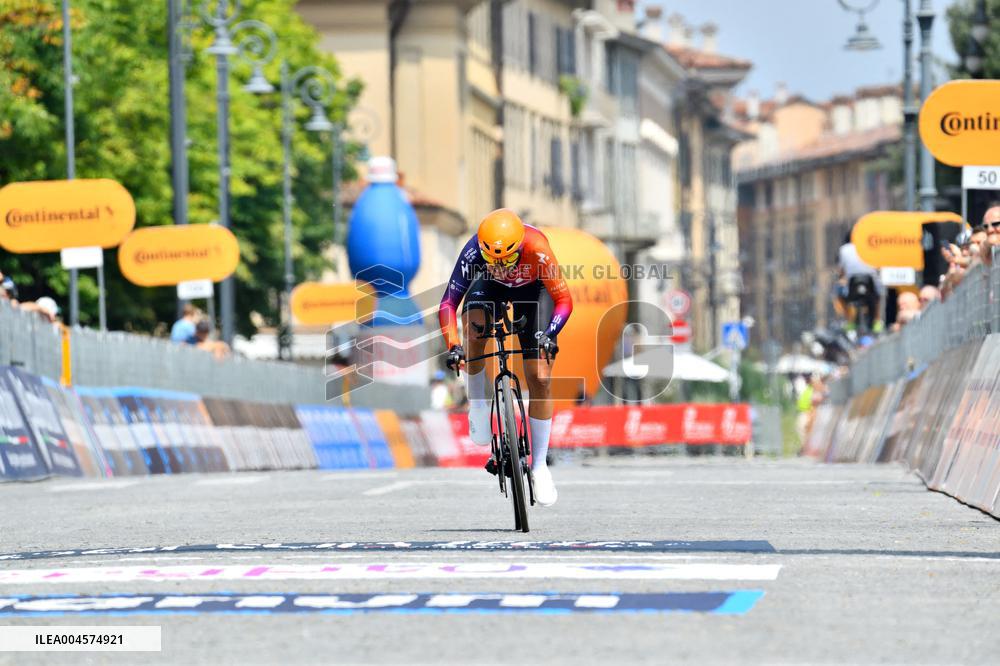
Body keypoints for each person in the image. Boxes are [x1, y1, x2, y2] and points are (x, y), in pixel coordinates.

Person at [438, 208, 573, 507]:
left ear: (519, 249)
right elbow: (448, 302)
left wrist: (550, 334)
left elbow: (564, 300)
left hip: (533, 293)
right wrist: (454, 346)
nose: (500, 266)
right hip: (490, 290)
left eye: (508, 260)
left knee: (539, 374)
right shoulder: (474, 251)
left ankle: (539, 465)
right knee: (473, 325)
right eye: (493, 261)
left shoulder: (537, 249)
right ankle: (477, 402)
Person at [836, 232, 883, 333]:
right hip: (871, 285)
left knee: (838, 292)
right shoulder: (872, 245)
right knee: (878, 295)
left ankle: (849, 320)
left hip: (852, 286)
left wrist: (842, 278)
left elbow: (840, 271)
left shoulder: (844, 249)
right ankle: (877, 320)